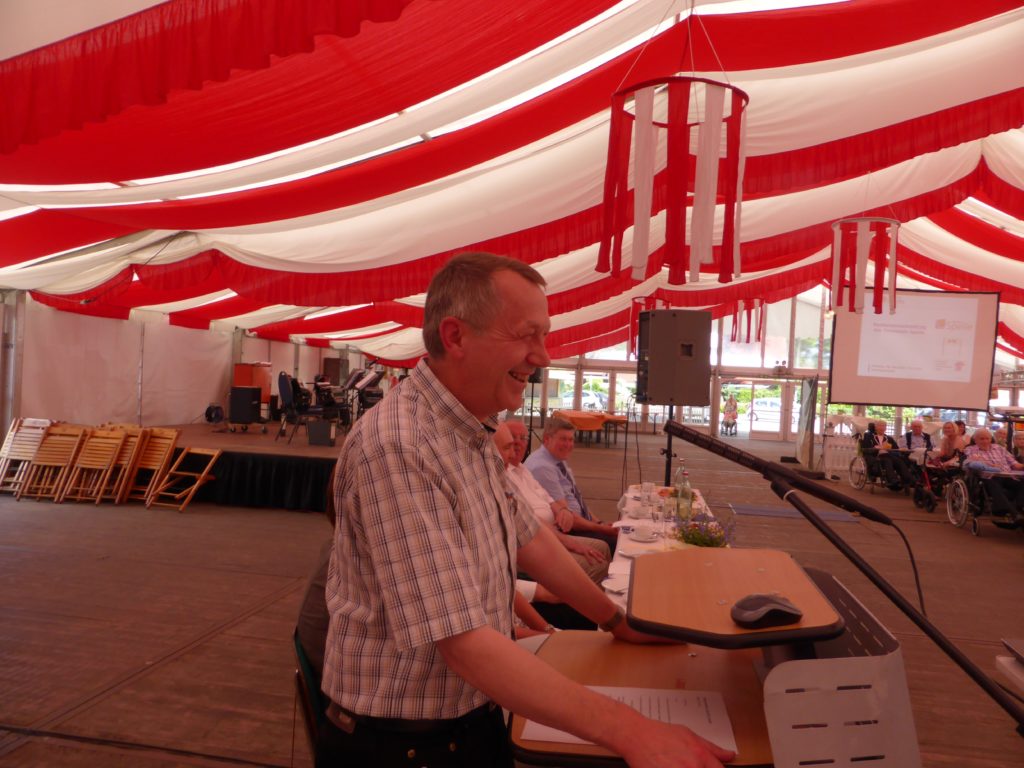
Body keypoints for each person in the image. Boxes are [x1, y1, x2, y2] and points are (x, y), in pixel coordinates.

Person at [322, 252, 733, 767]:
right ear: (456, 336)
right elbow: (463, 641)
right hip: (401, 744)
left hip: (463, 720)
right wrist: (635, 733)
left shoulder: (470, 431)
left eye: (544, 336)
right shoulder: (400, 445)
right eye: (526, 335)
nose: (542, 355)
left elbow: (530, 539)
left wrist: (616, 621)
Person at [496, 420, 610, 583]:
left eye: (523, 438)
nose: (518, 443)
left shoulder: (522, 469)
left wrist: (563, 510)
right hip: (532, 541)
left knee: (603, 548)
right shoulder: (505, 476)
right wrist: (571, 540)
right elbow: (530, 521)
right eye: (512, 439)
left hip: (552, 531)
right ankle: (573, 598)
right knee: (597, 562)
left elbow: (548, 498)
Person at [523, 416, 620, 551]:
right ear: (546, 439)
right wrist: (601, 528)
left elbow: (576, 497)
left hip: (581, 522)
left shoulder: (556, 458)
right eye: (563, 439)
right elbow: (567, 516)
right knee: (617, 543)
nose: (568, 445)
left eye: (571, 440)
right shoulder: (543, 467)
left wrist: (598, 522)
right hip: (567, 529)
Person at [962, 427, 1024, 519]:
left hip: (1007, 475)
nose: (985, 441)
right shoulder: (971, 449)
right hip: (989, 477)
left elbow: (1015, 465)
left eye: (987, 438)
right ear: (975, 440)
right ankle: (1012, 513)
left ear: (991, 439)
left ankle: (1019, 507)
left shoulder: (1000, 448)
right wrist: (991, 465)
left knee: (1021, 483)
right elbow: (975, 462)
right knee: (993, 482)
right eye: (982, 439)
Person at [860, 421, 913, 491]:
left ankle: (908, 479)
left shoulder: (889, 438)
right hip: (876, 456)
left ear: (885, 428)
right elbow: (866, 448)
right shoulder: (868, 436)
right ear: (875, 427)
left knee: (899, 461)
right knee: (887, 460)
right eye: (880, 426)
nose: (882, 428)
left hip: (888, 455)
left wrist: (901, 449)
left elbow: (896, 448)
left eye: (883, 426)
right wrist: (876, 448)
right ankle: (893, 480)